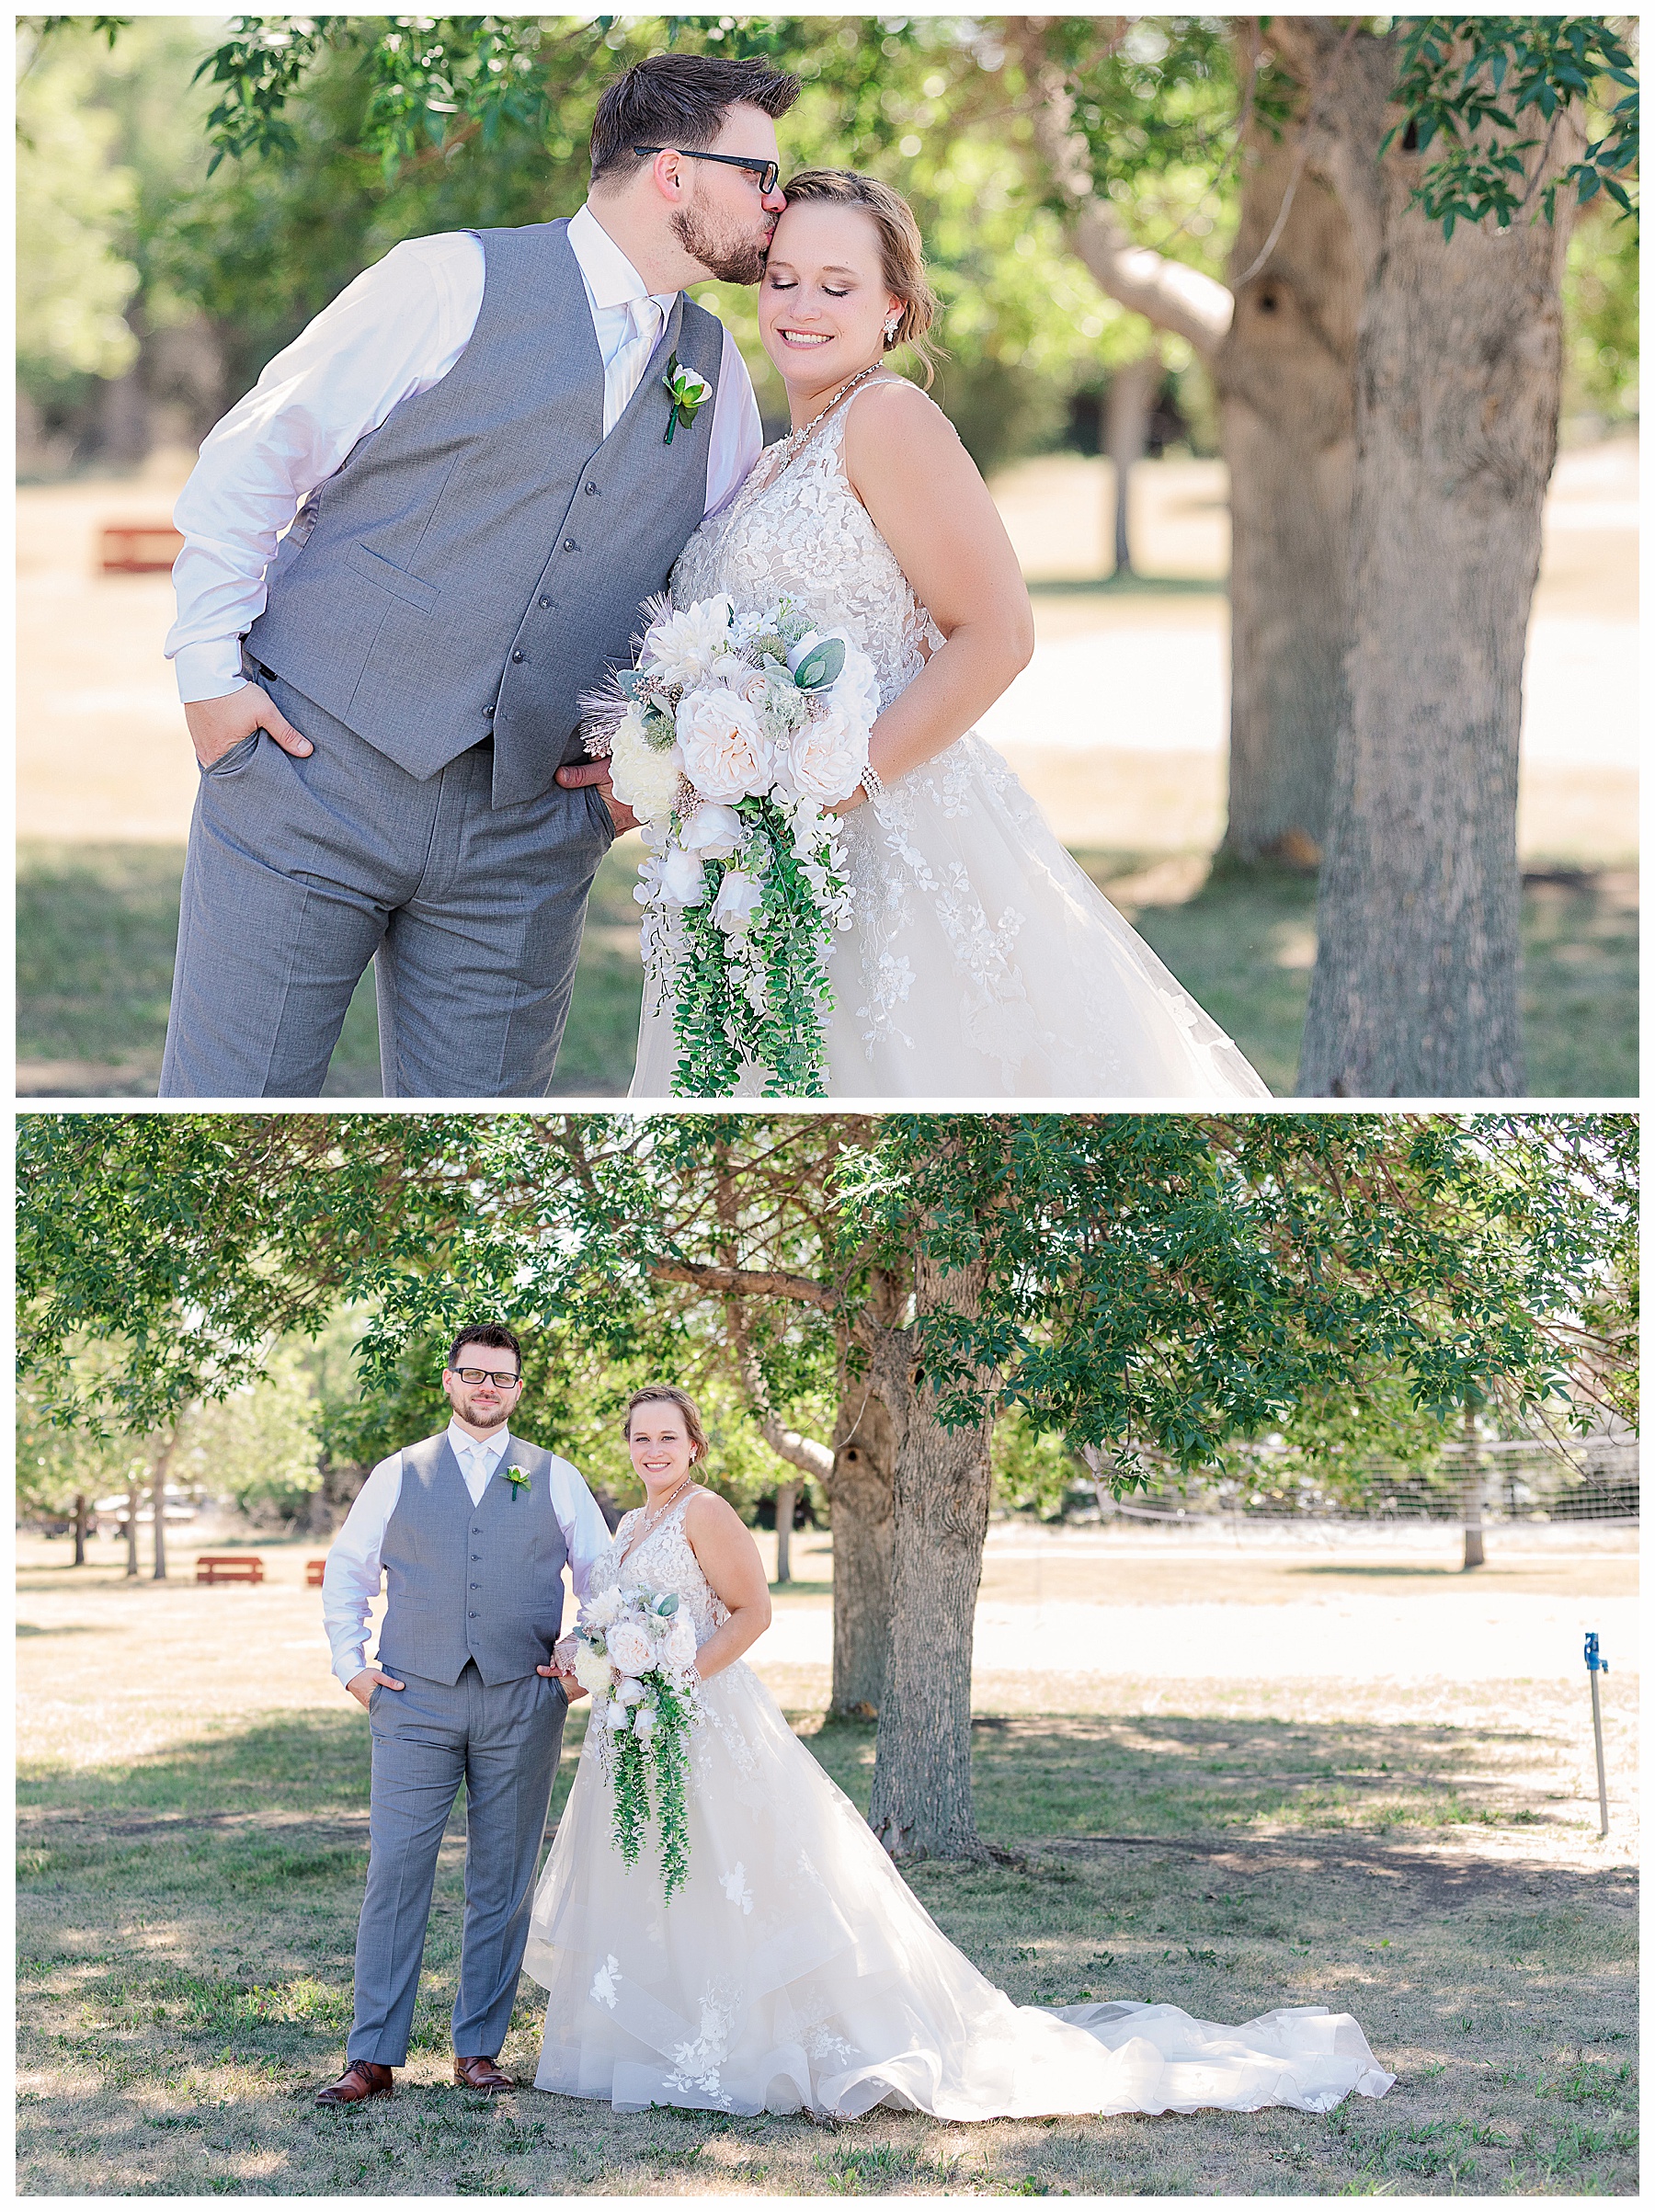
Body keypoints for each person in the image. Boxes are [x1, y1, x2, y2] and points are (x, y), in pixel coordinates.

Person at [159, 53, 798, 1098]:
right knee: (224, 1127)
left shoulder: (717, 373)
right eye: (761, 177)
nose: (776, 207)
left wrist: (649, 766)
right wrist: (207, 681)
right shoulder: (444, 280)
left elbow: (709, 597)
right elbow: (255, 456)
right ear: (674, 174)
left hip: (529, 836)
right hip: (309, 775)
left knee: (486, 1154)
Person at [524, 1384, 1392, 2119]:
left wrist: (678, 1682)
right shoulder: (632, 1527)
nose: (651, 1449)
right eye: (639, 1438)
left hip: (703, 1723)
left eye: (665, 1436)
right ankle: (664, 2037)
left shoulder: (706, 1513)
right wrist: (584, 1664)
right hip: (636, 1736)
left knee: (729, 1876)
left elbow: (752, 1613)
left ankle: (745, 2046)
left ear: (695, 1444)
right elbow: (613, 1630)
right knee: (658, 1879)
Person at [626, 173, 1273, 1099]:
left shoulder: (887, 420)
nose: (801, 307)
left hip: (886, 835)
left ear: (893, 307)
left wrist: (841, 784)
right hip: (750, 859)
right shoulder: (765, 463)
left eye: (837, 286)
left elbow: (998, 630)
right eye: (783, 279)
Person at [314, 1324, 611, 2104]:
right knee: (396, 1870)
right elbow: (347, 1570)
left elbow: (604, 1577)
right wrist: (355, 1670)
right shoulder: (399, 1472)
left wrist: (580, 1655)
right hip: (413, 1701)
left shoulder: (553, 1476)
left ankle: (478, 2048)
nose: (487, 1388)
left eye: (502, 1378)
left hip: (523, 1699)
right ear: (448, 1382)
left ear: (518, 1390)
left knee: (502, 1881)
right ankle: (373, 2054)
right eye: (474, 1375)